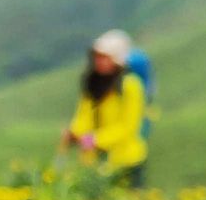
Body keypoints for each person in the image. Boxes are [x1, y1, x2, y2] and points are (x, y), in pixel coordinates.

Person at [60, 30, 150, 187]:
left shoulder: (131, 85)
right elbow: (84, 116)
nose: (100, 61)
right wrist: (74, 132)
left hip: (125, 161)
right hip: (95, 161)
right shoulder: (93, 84)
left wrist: (96, 139)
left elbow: (128, 127)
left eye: (104, 57)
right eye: (97, 56)